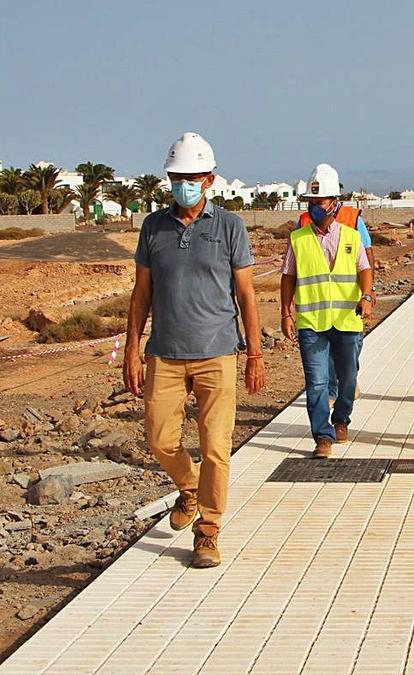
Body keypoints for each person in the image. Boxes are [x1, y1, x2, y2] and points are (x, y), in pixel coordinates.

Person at [124, 132, 265, 568]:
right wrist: (132, 349)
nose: (184, 183)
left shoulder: (229, 227)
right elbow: (140, 293)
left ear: (209, 179)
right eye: (177, 176)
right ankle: (188, 488)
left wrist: (255, 354)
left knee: (216, 447)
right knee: (159, 438)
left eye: (192, 176)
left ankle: (207, 531)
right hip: (164, 352)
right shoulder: (153, 227)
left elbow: (246, 294)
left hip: (217, 353)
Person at [280, 163, 375, 458]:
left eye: (319, 202)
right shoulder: (298, 239)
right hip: (312, 323)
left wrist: (368, 296)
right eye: (311, 202)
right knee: (317, 381)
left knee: (348, 377)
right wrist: (286, 313)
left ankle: (341, 419)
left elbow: (365, 268)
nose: (315, 207)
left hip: (347, 319)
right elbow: (288, 277)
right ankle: (322, 436)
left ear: (335, 203)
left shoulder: (351, 236)